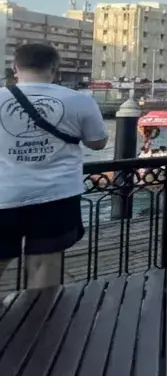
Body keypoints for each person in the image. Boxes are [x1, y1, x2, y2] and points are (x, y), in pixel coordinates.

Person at [0, 43, 108, 288]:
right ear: (54, 69)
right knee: (44, 263)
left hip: (4, 193)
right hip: (56, 194)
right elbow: (97, 143)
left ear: (15, 68)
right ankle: (40, 311)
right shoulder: (80, 101)